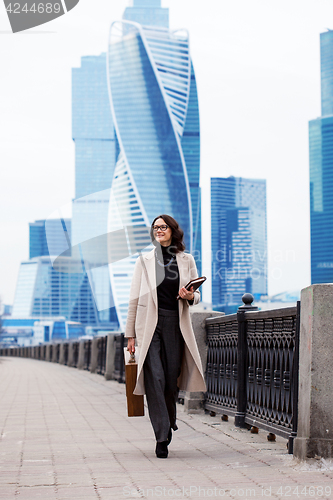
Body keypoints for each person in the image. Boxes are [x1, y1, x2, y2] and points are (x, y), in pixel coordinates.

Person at [125, 214, 206, 459]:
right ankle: (161, 436)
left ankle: (169, 418)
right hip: (149, 325)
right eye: (155, 227)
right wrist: (130, 334)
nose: (158, 230)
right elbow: (134, 297)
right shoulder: (144, 260)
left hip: (175, 324)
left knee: (171, 379)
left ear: (172, 230)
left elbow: (197, 296)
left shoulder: (186, 259)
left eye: (163, 227)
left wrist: (189, 295)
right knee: (155, 379)